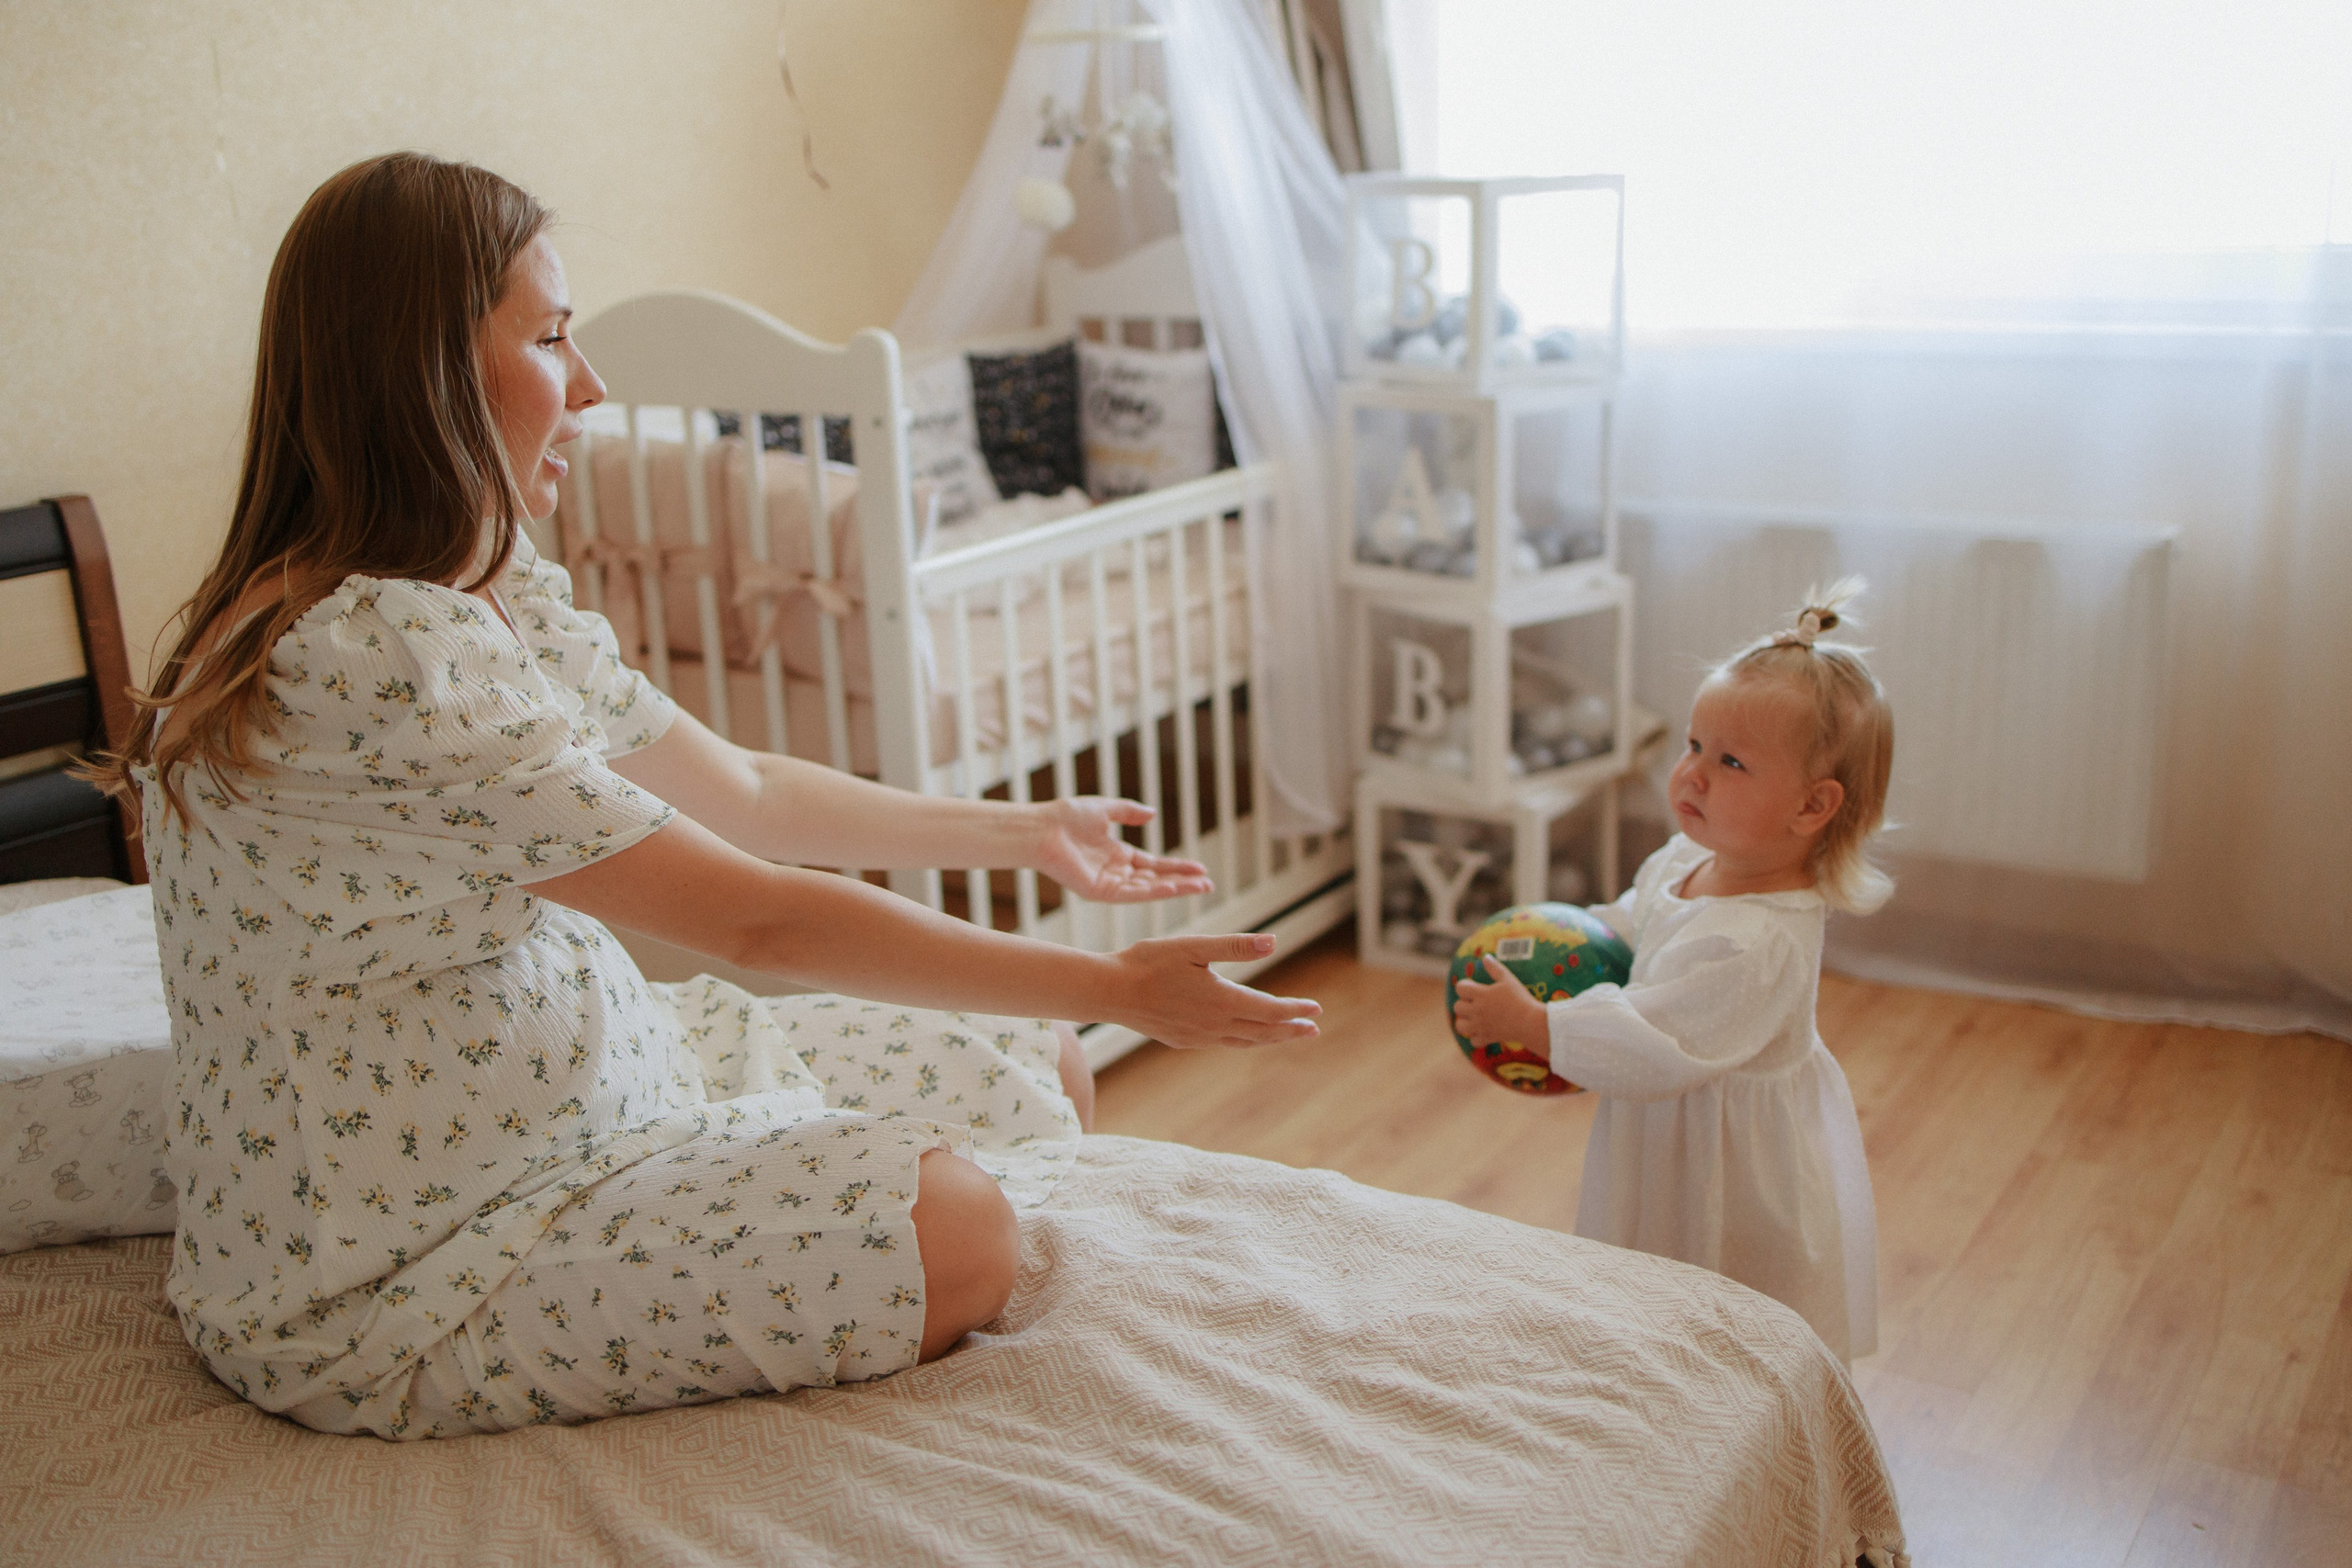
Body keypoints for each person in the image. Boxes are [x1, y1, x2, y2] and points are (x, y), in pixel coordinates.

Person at [88, 152, 1319, 1440]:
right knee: (958, 1221)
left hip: (602, 1082)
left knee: (1032, 1057)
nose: (594, 385)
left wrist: (1026, 832)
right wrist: (1118, 985)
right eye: (555, 338)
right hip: (425, 1247)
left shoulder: (475, 597)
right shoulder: (378, 657)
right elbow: (761, 921)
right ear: (428, 367)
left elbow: (745, 788)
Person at [1451, 584, 1891, 1360]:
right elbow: (1635, 921)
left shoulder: (1753, 942)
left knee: (1724, 1292)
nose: (1692, 775)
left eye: (1730, 761)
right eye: (1692, 745)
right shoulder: (1692, 858)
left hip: (1727, 1154)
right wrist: (1572, 937)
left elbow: (1652, 1042)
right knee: (1651, 1272)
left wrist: (1538, 1026)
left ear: (1812, 807)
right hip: (1670, 1130)